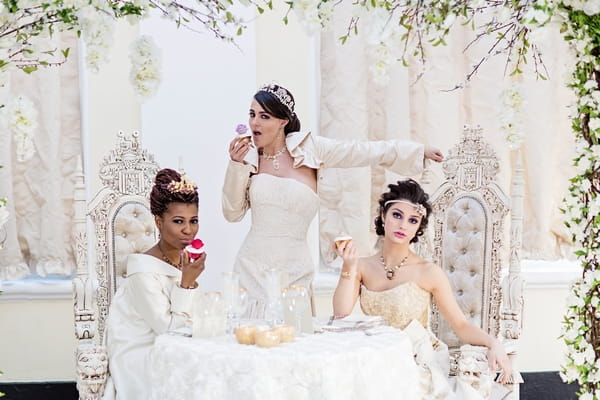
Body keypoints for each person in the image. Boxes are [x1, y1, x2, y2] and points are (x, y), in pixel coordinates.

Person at [222, 83, 444, 318]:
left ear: (282, 121)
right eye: (252, 114)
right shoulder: (248, 158)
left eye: (264, 116)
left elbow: (362, 151)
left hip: (294, 271)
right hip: (250, 269)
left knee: (289, 344)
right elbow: (232, 213)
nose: (254, 123)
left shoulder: (310, 150)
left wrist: (418, 151)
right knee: (246, 344)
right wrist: (235, 166)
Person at [332, 179, 512, 398]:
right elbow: (341, 313)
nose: (403, 225)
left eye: (413, 220)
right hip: (376, 353)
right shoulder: (362, 266)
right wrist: (348, 266)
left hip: (417, 359)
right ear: (383, 215)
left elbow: (462, 325)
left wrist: (494, 343)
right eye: (397, 215)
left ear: (418, 227)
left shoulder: (428, 272)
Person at [104, 169, 206, 400]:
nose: (188, 230)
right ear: (159, 222)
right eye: (178, 221)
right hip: (142, 355)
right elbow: (169, 330)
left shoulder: (184, 260)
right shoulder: (141, 270)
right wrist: (187, 284)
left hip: (179, 347)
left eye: (194, 221)